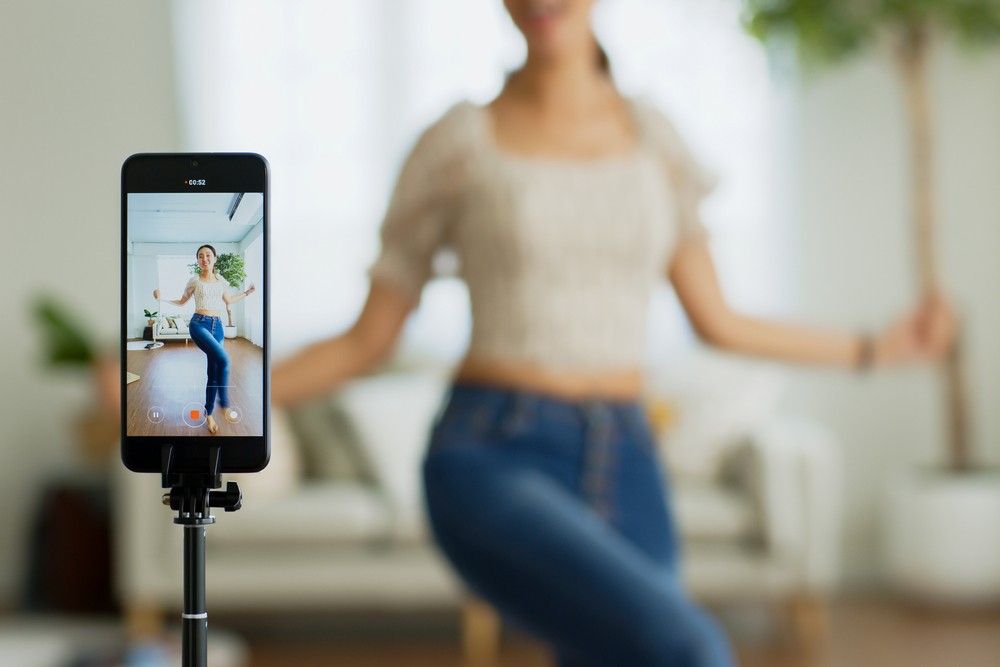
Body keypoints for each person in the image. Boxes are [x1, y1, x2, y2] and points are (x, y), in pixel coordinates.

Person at [273, 1, 954, 664]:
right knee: (690, 648)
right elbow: (368, 341)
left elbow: (719, 320)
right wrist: (228, 398)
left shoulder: (655, 140)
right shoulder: (459, 141)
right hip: (492, 453)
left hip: (627, 459)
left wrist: (877, 348)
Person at [155, 244, 256, 435]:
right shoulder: (194, 281)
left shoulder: (220, 280)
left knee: (214, 370)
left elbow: (228, 301)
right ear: (198, 261)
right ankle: (224, 405)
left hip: (217, 326)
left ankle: (208, 413)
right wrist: (162, 300)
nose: (204, 259)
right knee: (224, 359)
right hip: (198, 324)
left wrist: (247, 293)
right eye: (200, 256)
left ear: (215, 258)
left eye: (208, 255)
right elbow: (181, 301)